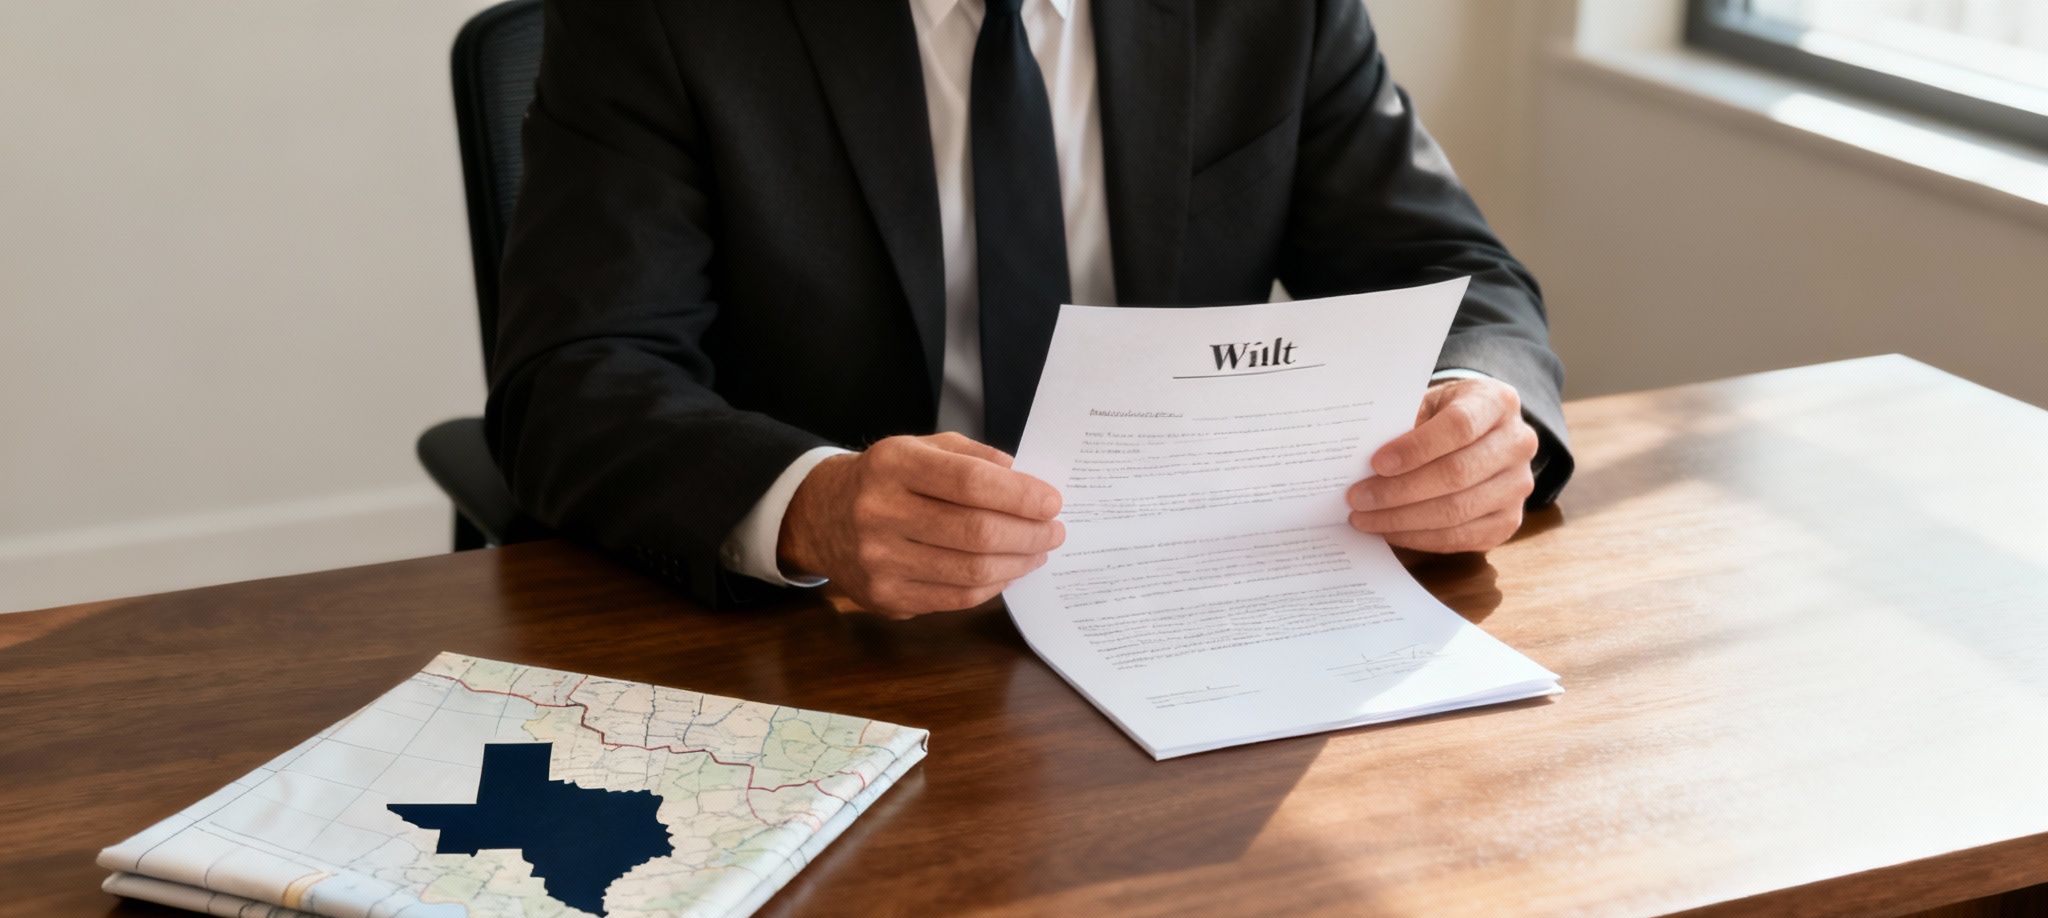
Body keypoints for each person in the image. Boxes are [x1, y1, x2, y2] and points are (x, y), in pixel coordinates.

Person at [488, 0, 1572, 616]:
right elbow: (577, 373)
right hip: (848, 635)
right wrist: (815, 504)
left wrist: (1472, 410)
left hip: (1194, 595)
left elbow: (1450, 268)